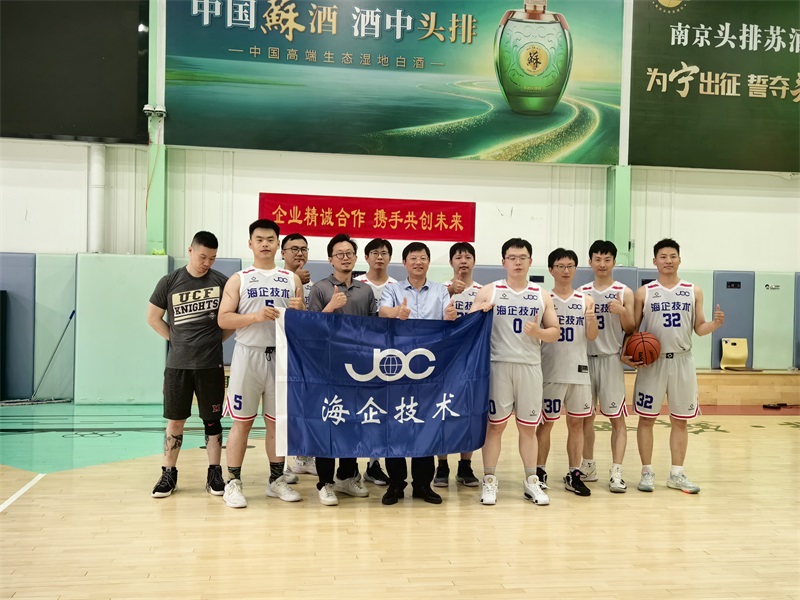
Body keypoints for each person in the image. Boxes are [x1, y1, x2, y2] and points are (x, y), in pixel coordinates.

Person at [217, 219, 306, 508]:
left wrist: (300, 311)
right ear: (250, 244)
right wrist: (254, 317)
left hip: (281, 357)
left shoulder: (291, 279)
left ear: (278, 244)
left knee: (277, 424)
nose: (265, 244)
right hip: (248, 355)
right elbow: (223, 319)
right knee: (242, 423)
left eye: (270, 239)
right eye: (259, 239)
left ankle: (276, 480)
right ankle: (233, 482)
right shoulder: (239, 278)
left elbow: (302, 323)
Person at [470, 238, 559, 506]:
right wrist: (478, 312)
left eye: (522, 258)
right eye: (512, 257)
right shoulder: (490, 291)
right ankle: (489, 480)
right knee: (495, 426)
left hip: (530, 367)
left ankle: (532, 481)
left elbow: (555, 332)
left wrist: (539, 332)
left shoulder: (541, 294)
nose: (517, 262)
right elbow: (468, 326)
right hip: (498, 365)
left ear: (530, 261)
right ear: (503, 262)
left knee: (528, 428)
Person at [632, 238, 724, 494]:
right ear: (654, 261)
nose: (668, 261)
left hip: (683, 361)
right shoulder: (644, 292)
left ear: (680, 259)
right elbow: (633, 331)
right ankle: (647, 472)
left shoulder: (693, 290)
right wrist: (627, 354)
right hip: (653, 362)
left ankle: (677, 473)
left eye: (673, 256)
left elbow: (699, 328)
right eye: (663, 256)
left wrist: (715, 325)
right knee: (646, 419)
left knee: (680, 421)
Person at [147, 231, 230, 498]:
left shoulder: (222, 282)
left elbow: (230, 320)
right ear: (190, 250)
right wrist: (176, 339)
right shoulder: (170, 281)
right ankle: (168, 473)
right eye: (203, 256)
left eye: (212, 258)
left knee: (212, 421)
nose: (207, 263)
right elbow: (153, 318)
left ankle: (214, 473)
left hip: (210, 365)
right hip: (178, 366)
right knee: (175, 421)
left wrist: (215, 340)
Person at [378, 242, 457, 505]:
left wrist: (451, 316)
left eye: (422, 258)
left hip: (429, 368)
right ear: (404, 263)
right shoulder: (393, 289)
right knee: (396, 423)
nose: (418, 262)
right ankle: (396, 484)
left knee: (426, 423)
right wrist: (396, 312)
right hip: (398, 366)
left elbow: (447, 318)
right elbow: (382, 312)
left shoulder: (440, 290)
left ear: (428, 262)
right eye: (413, 258)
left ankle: (423, 484)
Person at [307, 233, 376, 506]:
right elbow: (310, 328)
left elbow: (374, 328)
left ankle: (347, 476)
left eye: (349, 253)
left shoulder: (365, 290)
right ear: (330, 259)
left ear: (356, 258)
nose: (345, 258)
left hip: (358, 368)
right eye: (340, 254)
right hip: (327, 368)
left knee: (353, 423)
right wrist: (330, 307)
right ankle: (325, 482)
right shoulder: (320, 288)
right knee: (328, 422)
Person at [535, 248, 598, 497]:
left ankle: (574, 473)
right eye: (560, 266)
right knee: (546, 423)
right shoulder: (544, 298)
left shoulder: (586, 300)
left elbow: (592, 336)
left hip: (579, 372)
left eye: (570, 266)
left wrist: (591, 321)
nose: (566, 270)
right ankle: (539, 471)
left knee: (577, 424)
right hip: (550, 371)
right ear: (551, 270)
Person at [578, 240, 635, 493]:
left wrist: (622, 311)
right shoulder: (581, 293)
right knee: (585, 418)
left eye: (607, 259)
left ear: (614, 262)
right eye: (598, 259)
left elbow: (631, 328)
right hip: (584, 359)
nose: (602, 264)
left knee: (617, 419)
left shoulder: (624, 292)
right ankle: (588, 465)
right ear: (590, 262)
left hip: (611, 359)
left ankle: (616, 471)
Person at [434, 241, 482, 488]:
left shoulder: (484, 291)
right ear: (451, 262)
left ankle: (465, 465)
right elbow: (432, 322)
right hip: (445, 361)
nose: (463, 261)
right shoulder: (440, 289)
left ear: (474, 261)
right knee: (442, 411)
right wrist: (451, 293)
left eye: (468, 257)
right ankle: (442, 465)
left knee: (468, 413)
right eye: (458, 257)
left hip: (473, 361)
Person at [353, 237, 396, 486]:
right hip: (360, 355)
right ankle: (349, 466)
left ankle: (374, 464)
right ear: (366, 257)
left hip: (388, 357)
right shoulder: (357, 284)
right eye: (375, 253)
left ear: (390, 258)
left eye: (384, 253)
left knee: (380, 411)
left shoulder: (397, 286)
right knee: (356, 409)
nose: (380, 257)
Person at [280, 232, 315, 481]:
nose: (299, 253)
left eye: (303, 249)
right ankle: (279, 464)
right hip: (278, 351)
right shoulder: (275, 279)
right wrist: (293, 281)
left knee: (305, 407)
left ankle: (303, 457)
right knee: (279, 410)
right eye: (294, 248)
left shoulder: (315, 285)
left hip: (304, 355)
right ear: (282, 253)